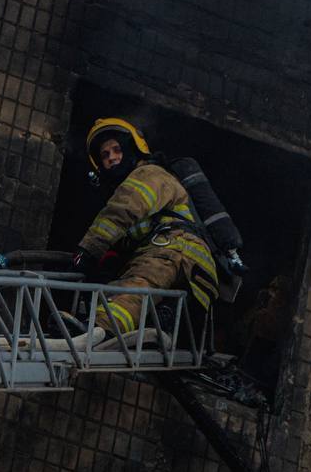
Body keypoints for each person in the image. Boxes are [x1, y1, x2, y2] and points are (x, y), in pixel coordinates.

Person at [72, 118, 220, 339]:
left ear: (134, 147)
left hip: (174, 252)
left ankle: (98, 329)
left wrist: (88, 251)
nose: (111, 157)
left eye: (116, 149)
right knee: (130, 291)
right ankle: (159, 320)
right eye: (105, 155)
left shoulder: (148, 174)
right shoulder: (143, 181)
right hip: (192, 271)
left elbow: (121, 211)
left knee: (133, 290)